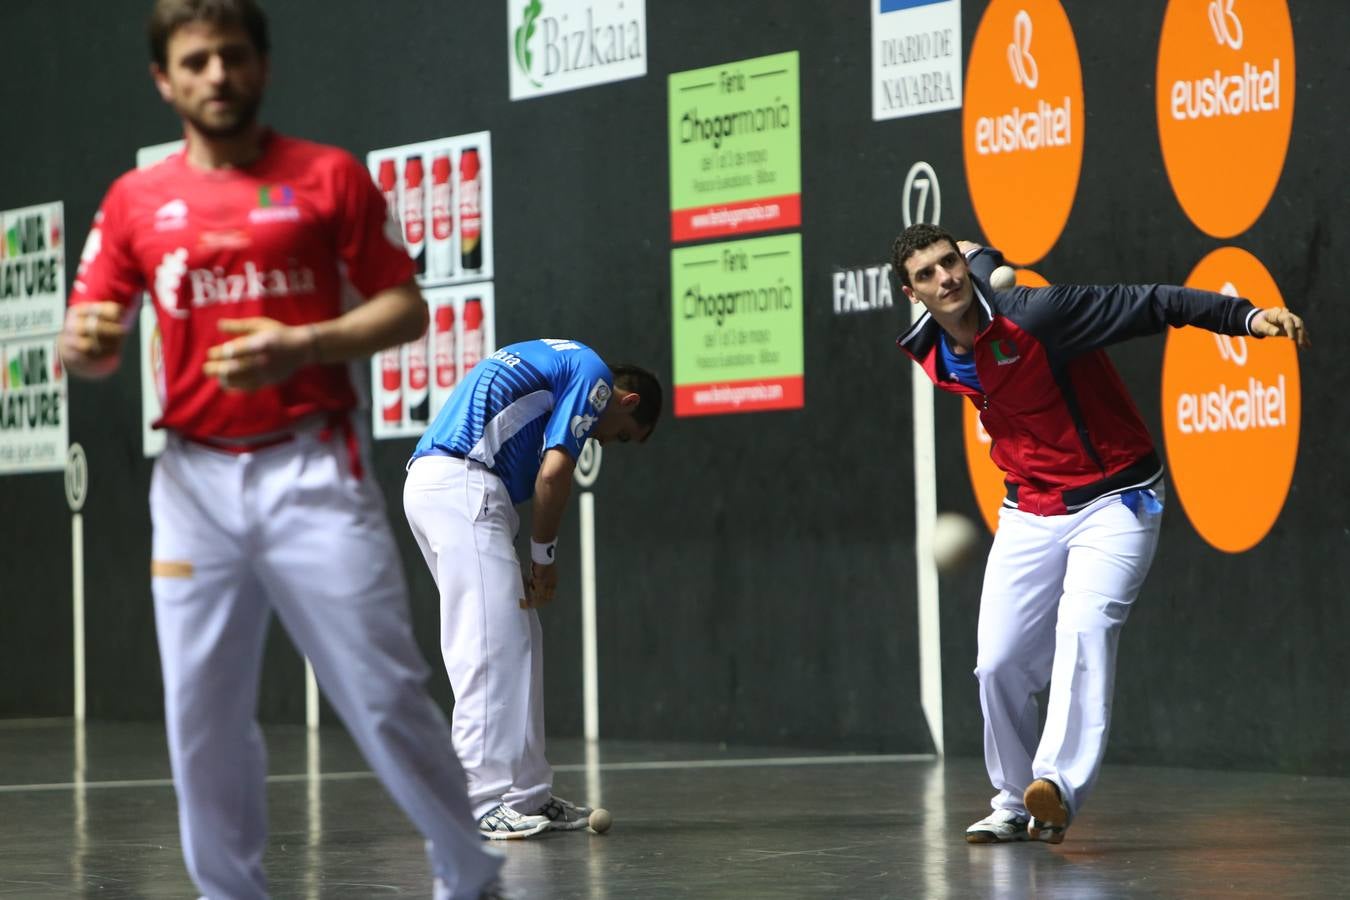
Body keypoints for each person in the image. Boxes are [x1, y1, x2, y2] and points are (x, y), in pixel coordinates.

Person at [59, 2, 505, 897]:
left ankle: (469, 872)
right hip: (189, 484)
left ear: (261, 64)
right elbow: (95, 343)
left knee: (382, 694)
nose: (216, 74)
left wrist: (301, 345)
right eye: (195, 62)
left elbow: (406, 307)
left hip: (313, 469)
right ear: (165, 80)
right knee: (201, 713)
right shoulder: (133, 201)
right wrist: (85, 344)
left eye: (232, 56)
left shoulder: (329, 176)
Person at [890, 223, 1308, 845]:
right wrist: (983, 259)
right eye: (927, 275)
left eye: (950, 263)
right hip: (1029, 507)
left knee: (1085, 630)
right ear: (911, 292)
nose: (945, 279)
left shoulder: (1038, 314)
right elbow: (982, 261)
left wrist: (1246, 318)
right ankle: (1011, 801)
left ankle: (1054, 788)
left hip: (1116, 498)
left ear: (960, 262)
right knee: (996, 664)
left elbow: (1157, 301)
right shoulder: (926, 342)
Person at [403, 339, 661, 839]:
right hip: (462, 485)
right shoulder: (594, 374)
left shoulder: (559, 360)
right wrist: (544, 558)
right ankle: (476, 802)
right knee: (489, 647)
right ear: (625, 402)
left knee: (520, 639)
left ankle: (528, 796)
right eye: (624, 436)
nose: (607, 443)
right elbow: (555, 472)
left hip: (451, 487)